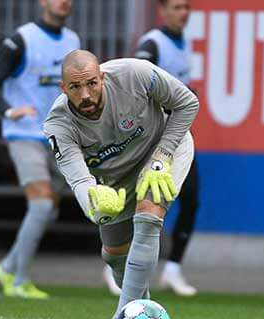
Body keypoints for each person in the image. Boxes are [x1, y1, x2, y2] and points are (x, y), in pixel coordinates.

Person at [44, 50, 198, 319]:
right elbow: (78, 178)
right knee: (114, 254)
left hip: (162, 152)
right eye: (75, 87)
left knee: (148, 215)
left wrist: (162, 156)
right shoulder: (58, 124)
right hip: (115, 176)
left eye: (92, 83)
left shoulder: (136, 74)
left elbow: (187, 103)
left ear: (102, 76)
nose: (85, 94)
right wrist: (94, 199)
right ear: (63, 89)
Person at [0, 0, 79, 299]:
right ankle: (20, 281)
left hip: (59, 137)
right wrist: (8, 110)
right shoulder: (22, 38)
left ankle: (8, 267)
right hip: (24, 134)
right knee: (40, 206)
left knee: (48, 211)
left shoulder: (73, 41)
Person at [102, 0, 198, 297]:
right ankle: (117, 263)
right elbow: (140, 85)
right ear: (163, 10)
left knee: (191, 199)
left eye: (186, 7)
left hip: (174, 136)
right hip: (149, 139)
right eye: (177, 7)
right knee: (140, 205)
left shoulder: (184, 44)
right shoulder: (152, 44)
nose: (183, 12)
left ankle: (172, 270)